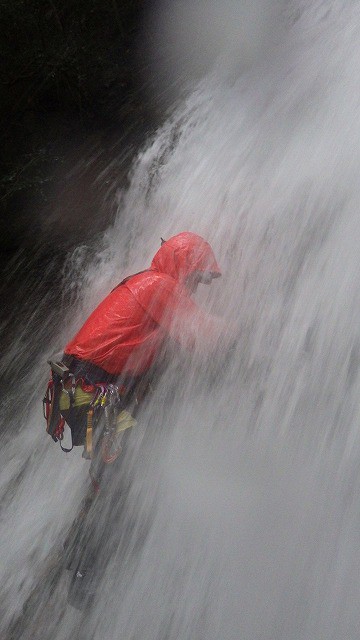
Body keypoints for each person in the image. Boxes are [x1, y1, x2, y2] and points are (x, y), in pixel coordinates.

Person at [45, 231, 224, 463]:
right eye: (195, 278)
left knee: (117, 462)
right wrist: (246, 332)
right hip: (91, 388)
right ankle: (108, 494)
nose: (195, 287)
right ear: (184, 266)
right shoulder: (160, 285)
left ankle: (101, 493)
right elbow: (202, 335)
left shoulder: (143, 280)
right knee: (125, 464)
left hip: (78, 384)